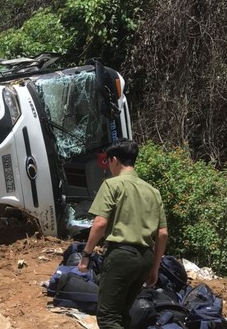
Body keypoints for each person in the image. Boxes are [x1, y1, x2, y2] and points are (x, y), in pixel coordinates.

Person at [78, 138, 168, 329]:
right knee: (121, 314)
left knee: (108, 317)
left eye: (109, 162)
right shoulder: (153, 192)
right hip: (145, 259)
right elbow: (162, 234)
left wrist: (86, 255)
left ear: (114, 160)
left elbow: (100, 223)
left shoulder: (112, 185)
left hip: (121, 256)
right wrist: (155, 267)